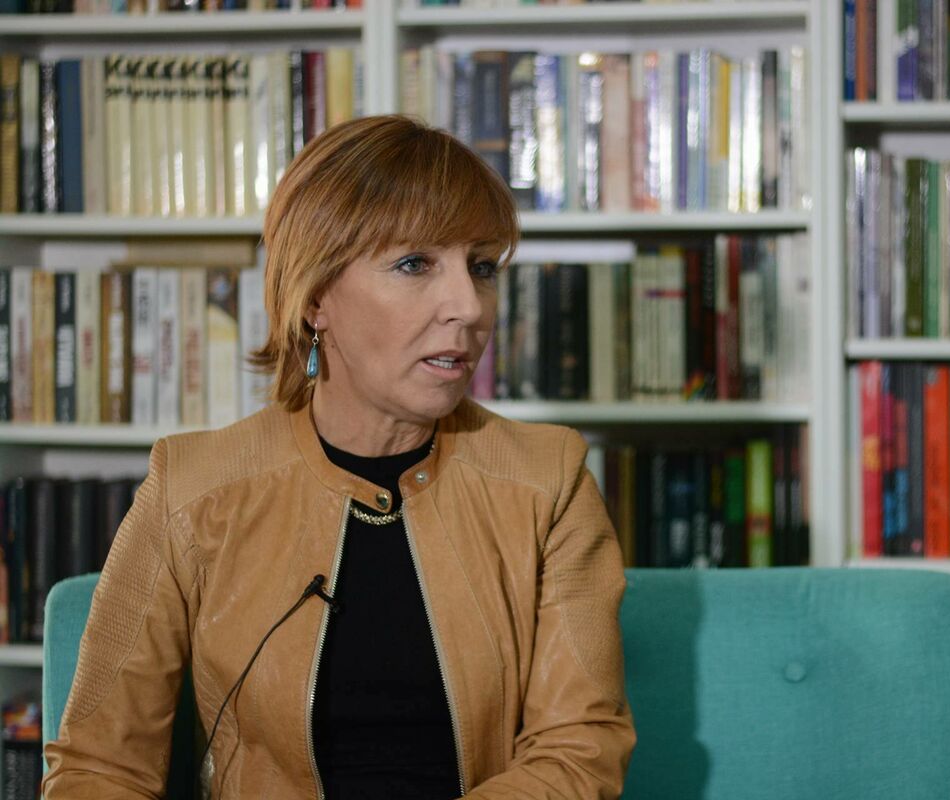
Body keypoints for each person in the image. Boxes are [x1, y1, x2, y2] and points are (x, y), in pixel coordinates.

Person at [42, 114, 635, 799]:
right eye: (415, 264)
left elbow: (578, 751)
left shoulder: (548, 480)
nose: (470, 307)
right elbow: (99, 769)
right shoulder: (192, 489)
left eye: (481, 267)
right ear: (316, 296)